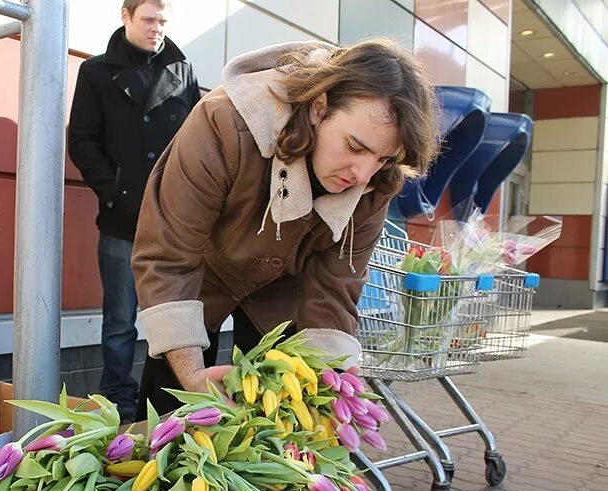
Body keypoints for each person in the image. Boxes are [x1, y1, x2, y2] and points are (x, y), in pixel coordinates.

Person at [131, 39, 438, 418]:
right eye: (354, 146)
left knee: (281, 429)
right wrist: (192, 373)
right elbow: (167, 257)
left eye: (384, 157)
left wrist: (333, 380)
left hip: (283, 298)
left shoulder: (377, 179)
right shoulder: (223, 122)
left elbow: (336, 286)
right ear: (319, 106)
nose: (362, 174)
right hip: (196, 279)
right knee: (167, 418)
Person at [68, 0, 201, 424]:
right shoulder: (96, 73)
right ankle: (118, 403)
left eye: (162, 20)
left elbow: (196, 143)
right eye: (148, 19)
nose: (156, 28)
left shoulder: (183, 71)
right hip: (122, 219)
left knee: (174, 315)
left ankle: (164, 403)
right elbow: (83, 141)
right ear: (125, 17)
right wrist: (115, 192)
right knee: (120, 320)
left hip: (174, 221)